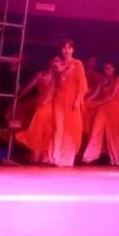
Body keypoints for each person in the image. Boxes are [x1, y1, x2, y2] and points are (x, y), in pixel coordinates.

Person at [14, 57, 60, 164]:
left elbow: (57, 91)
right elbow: (30, 86)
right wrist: (19, 96)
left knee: (47, 130)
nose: (56, 63)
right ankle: (35, 157)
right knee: (38, 128)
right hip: (39, 102)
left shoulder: (58, 77)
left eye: (58, 61)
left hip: (51, 105)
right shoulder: (41, 74)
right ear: (50, 61)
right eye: (55, 60)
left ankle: (45, 157)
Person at [82, 61, 119, 166]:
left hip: (114, 109)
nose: (106, 70)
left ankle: (115, 160)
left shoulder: (118, 79)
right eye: (105, 68)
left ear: (114, 69)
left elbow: (113, 95)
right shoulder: (103, 81)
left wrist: (99, 102)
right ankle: (88, 157)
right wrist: (86, 100)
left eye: (108, 68)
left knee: (113, 135)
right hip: (103, 108)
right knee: (96, 130)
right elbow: (95, 94)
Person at [51, 39, 88, 167]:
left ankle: (67, 158)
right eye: (64, 48)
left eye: (69, 48)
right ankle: (55, 156)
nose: (66, 50)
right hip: (59, 99)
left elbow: (82, 84)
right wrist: (62, 67)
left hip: (73, 100)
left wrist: (78, 99)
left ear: (73, 50)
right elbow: (54, 81)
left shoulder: (78, 64)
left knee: (71, 129)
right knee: (58, 128)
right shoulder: (57, 65)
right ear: (61, 50)